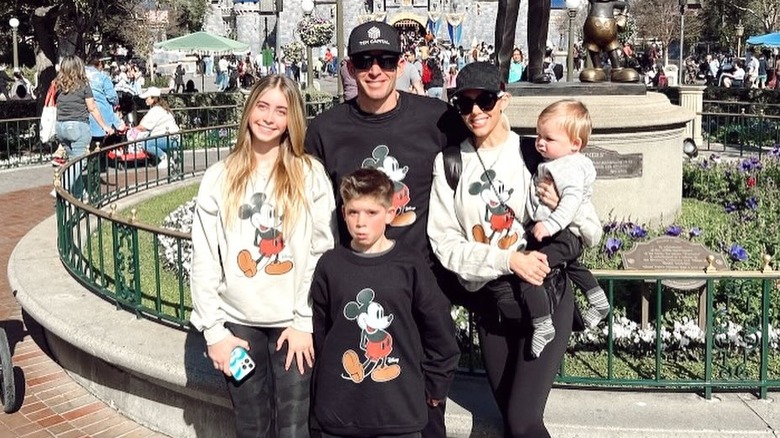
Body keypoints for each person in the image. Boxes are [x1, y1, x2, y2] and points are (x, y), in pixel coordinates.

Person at [304, 21, 470, 438]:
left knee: (424, 416)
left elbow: (489, 140)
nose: (374, 70)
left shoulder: (437, 119)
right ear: (349, 67)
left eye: (385, 60)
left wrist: (549, 173)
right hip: (354, 284)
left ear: (401, 63)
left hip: (417, 288)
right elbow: (301, 201)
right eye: (364, 61)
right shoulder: (325, 131)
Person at [427, 61, 573, 437]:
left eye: (486, 101)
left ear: (504, 100)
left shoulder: (531, 155)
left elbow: (586, 224)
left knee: (524, 422)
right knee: (508, 415)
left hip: (544, 298)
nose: (475, 112)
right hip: (491, 304)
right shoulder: (450, 163)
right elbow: (445, 243)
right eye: (465, 103)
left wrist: (561, 205)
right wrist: (507, 260)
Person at [190, 74, 335, 438]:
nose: (269, 117)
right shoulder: (219, 177)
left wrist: (305, 320)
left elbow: (323, 250)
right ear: (249, 109)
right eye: (263, 106)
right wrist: (213, 332)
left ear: (292, 120)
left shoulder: (309, 175)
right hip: (239, 324)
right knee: (251, 424)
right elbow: (205, 257)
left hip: (293, 323)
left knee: (293, 426)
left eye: (281, 110)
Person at [309, 168, 459, 438]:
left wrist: (436, 385)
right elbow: (321, 333)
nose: (360, 222)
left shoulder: (410, 265)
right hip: (340, 414)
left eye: (371, 213)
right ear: (343, 213)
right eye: (353, 212)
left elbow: (439, 330)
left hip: (399, 414)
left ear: (390, 214)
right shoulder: (330, 266)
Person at [522, 99, 608, 356]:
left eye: (549, 138)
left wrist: (549, 225)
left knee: (532, 269)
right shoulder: (565, 161)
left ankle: (542, 323)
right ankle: (598, 300)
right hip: (566, 236)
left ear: (575, 144)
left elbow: (570, 202)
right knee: (571, 264)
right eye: (538, 135)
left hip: (562, 233)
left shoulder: (567, 166)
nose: (540, 142)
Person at [53, 55, 115, 198]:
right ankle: (61, 186)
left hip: (61, 126)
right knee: (79, 163)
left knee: (73, 162)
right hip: (78, 126)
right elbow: (92, 107)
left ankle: (81, 196)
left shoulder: (58, 84)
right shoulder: (83, 84)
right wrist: (105, 126)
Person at [129, 87, 179, 168]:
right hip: (174, 137)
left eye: (147, 98)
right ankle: (167, 158)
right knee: (152, 140)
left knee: (146, 144)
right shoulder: (162, 108)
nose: (145, 100)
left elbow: (143, 126)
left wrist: (132, 130)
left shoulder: (155, 110)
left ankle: (165, 158)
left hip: (171, 139)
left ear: (153, 98)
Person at [86, 56, 120, 149]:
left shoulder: (80, 77)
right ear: (100, 64)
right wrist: (116, 103)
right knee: (101, 149)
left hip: (83, 117)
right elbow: (112, 97)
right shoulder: (103, 78)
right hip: (102, 115)